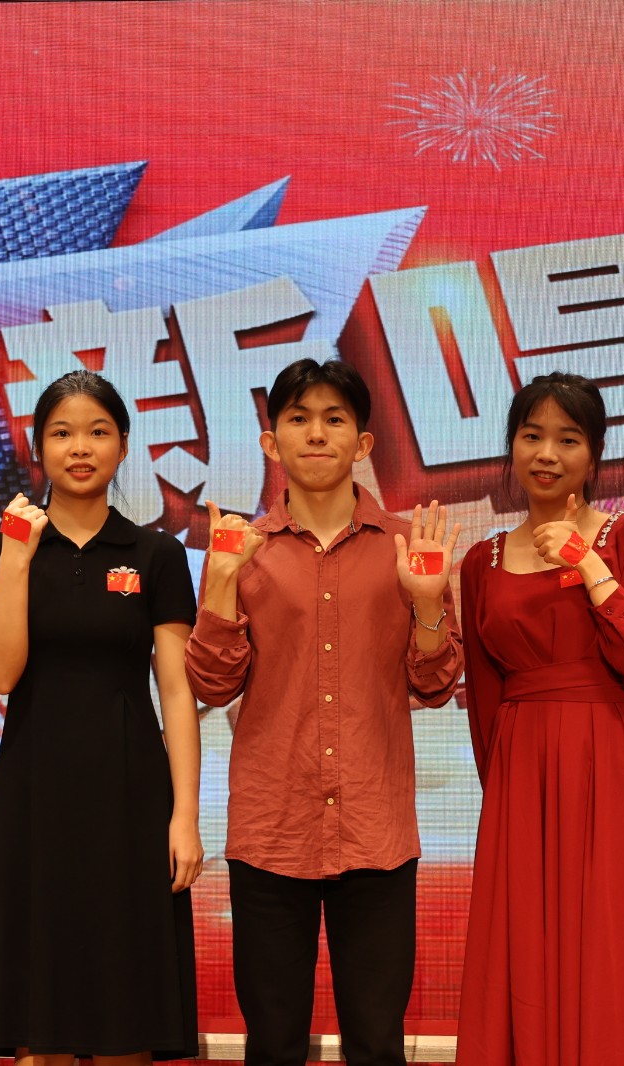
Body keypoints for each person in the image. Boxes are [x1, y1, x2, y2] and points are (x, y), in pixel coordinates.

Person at [186, 357, 464, 1066]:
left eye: (335, 419)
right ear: (270, 441)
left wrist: (428, 605)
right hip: (271, 831)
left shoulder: (408, 548)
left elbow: (435, 685)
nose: (317, 434)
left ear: (363, 443)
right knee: (273, 1043)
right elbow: (213, 686)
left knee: (376, 1043)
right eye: (299, 419)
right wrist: (220, 586)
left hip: (375, 831)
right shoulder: (241, 550)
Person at [453, 372, 624, 1066]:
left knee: (611, 938)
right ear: (511, 447)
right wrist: (504, 793)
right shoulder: (482, 561)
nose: (547, 454)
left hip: (605, 762)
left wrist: (590, 566)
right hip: (519, 777)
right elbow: (486, 694)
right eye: (532, 436)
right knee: (521, 942)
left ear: (594, 455)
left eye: (568, 439)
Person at [0, 370, 201, 1065]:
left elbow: (177, 692)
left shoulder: (156, 554)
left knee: (128, 1021)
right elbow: (0, 672)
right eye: (62, 433)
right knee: (40, 1027)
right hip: (34, 799)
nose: (80, 448)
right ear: (38, 446)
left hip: (131, 800)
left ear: (123, 444)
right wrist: (16, 556)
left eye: (98, 432)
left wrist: (185, 817)